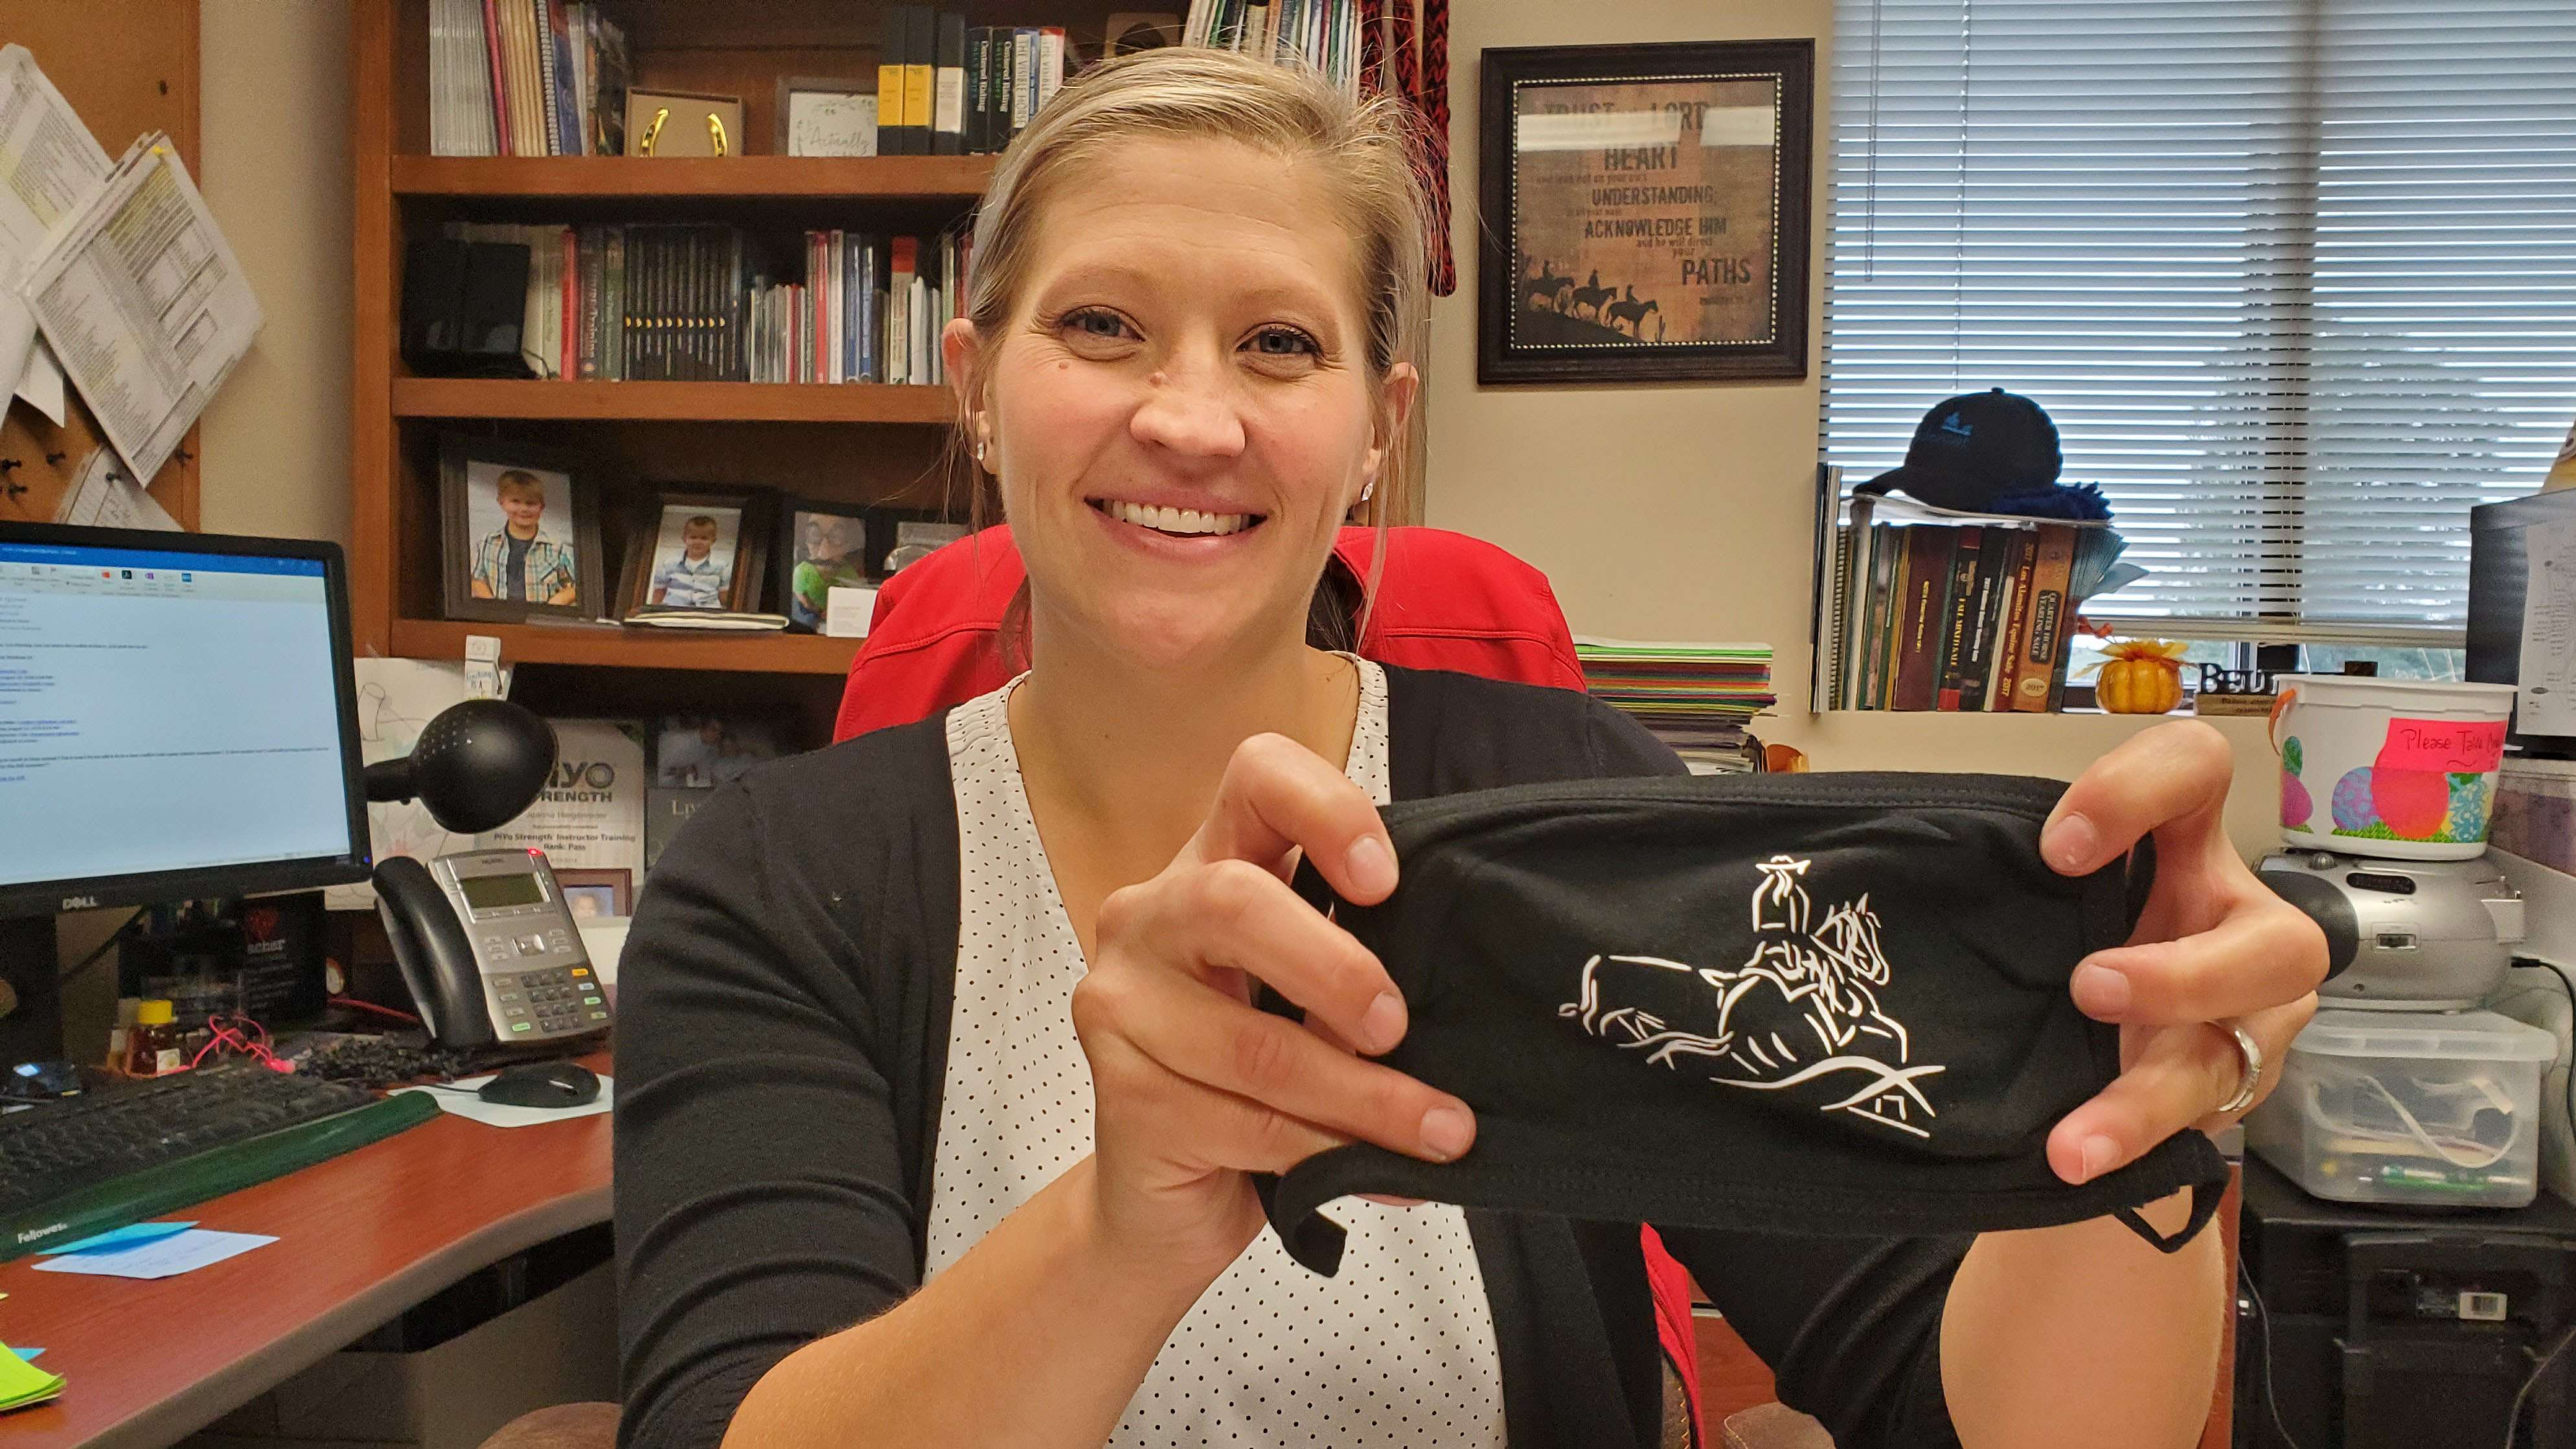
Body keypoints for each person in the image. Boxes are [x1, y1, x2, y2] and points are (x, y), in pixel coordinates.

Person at [613, 48, 2325, 1449]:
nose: (1189, 418)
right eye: (1102, 326)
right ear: (977, 385)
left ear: (1378, 427)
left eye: (1280, 343)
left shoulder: (1566, 808)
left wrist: (2136, 1097)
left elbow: (2003, 1419)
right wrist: (1130, 1222)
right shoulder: (783, 880)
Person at [468, 468, 576, 604]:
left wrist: (555, 604)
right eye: (516, 501)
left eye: (530, 503)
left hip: (542, 622)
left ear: (541, 507)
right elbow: (477, 579)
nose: (524, 509)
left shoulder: (558, 549)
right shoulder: (486, 543)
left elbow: (576, 586)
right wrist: (494, 608)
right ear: (502, 503)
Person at [788, 512, 867, 628]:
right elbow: (803, 599)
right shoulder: (801, 572)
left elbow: (852, 601)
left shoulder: (848, 572)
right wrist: (818, 611)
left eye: (836, 537)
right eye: (815, 535)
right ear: (807, 541)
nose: (824, 552)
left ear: (847, 545)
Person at [650, 515, 729, 609]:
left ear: (713, 541)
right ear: (684, 539)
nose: (698, 542)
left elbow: (724, 595)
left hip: (708, 613)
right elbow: (660, 591)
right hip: (673, 612)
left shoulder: (722, 566)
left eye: (704, 538)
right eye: (693, 537)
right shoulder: (669, 564)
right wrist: (653, 609)